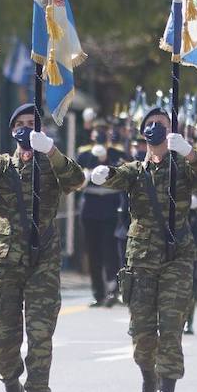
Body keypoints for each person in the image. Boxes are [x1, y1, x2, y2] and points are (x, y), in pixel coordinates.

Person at [90, 106, 197, 392]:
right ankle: (149, 380)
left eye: (161, 124)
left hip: (177, 257)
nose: (155, 129)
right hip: (142, 260)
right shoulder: (137, 170)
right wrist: (104, 173)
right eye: (150, 124)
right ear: (142, 131)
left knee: (171, 327)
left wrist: (189, 153)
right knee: (143, 332)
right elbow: (117, 177)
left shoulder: (183, 168)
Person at [0, 103, 84, 392]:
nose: (25, 129)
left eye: (32, 124)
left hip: (42, 260)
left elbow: (77, 179)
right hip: (5, 261)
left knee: (41, 335)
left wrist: (54, 152)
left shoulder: (51, 164)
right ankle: (12, 389)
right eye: (20, 123)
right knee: (2, 339)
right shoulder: (3, 165)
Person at [76, 122, 125, 307]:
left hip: (110, 208)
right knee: (93, 253)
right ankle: (98, 293)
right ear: (92, 136)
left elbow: (122, 177)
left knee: (110, 251)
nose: (101, 137)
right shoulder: (84, 154)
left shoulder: (116, 154)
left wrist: (109, 166)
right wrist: (86, 175)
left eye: (104, 133)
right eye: (98, 133)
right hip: (91, 209)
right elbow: (76, 180)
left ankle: (113, 289)